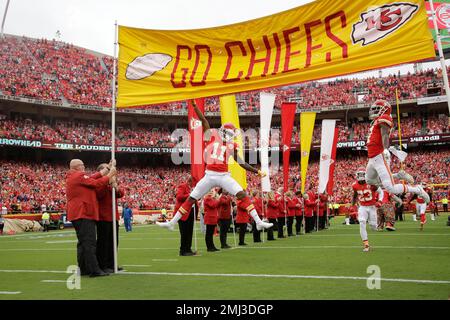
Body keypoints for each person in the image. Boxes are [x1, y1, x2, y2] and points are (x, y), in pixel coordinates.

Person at [156, 100, 272, 232]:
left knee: (242, 194)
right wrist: (194, 106)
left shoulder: (229, 144)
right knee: (191, 198)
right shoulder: (213, 137)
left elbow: (241, 163)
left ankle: (258, 222)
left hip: (223, 176)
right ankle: (172, 222)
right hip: (210, 175)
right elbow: (204, 121)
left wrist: (256, 171)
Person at [364, 100, 430, 203]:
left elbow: (384, 134)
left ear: (384, 110)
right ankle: (398, 176)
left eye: (376, 109)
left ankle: (417, 189)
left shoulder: (384, 118)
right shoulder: (376, 121)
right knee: (370, 181)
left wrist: (385, 146)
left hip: (379, 156)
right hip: (372, 157)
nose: (373, 111)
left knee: (391, 188)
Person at [66, 158, 116, 277]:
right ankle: (94, 270)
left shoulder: (75, 177)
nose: (84, 167)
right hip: (83, 213)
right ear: (77, 167)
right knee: (89, 243)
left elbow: (92, 177)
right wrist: (109, 175)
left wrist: (107, 169)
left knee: (83, 243)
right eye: (82, 165)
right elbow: (96, 183)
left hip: (80, 213)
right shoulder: (78, 176)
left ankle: (84, 268)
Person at [95, 163, 124, 273]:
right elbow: (99, 194)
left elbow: (121, 194)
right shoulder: (99, 182)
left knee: (114, 241)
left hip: (113, 217)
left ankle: (112, 263)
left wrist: (115, 186)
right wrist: (107, 182)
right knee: (103, 242)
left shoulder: (112, 182)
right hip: (103, 217)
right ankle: (103, 264)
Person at [352, 168, 383, 252]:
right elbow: (355, 195)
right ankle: (366, 245)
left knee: (373, 227)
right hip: (362, 207)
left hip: (372, 207)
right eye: (359, 174)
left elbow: (381, 192)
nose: (361, 176)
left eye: (362, 174)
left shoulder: (371, 183)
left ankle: (378, 223)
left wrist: (380, 201)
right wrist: (352, 205)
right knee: (362, 222)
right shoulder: (354, 185)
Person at [175, 177, 197, 256]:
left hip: (190, 212)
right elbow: (179, 197)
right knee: (184, 232)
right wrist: (190, 195)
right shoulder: (183, 186)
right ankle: (183, 250)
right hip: (183, 212)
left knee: (189, 232)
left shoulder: (193, 188)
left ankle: (188, 249)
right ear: (190, 181)